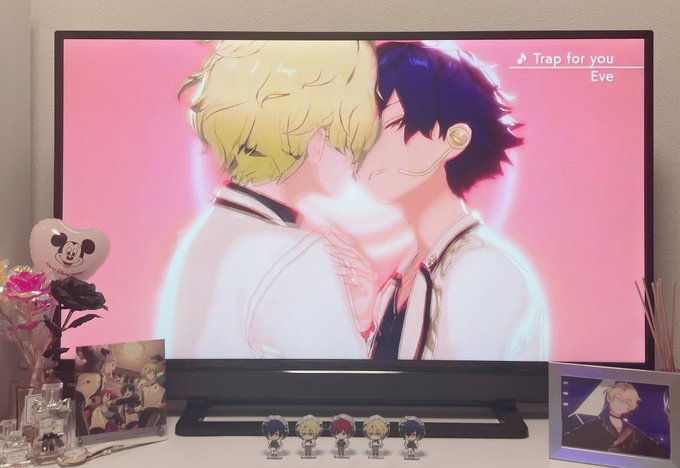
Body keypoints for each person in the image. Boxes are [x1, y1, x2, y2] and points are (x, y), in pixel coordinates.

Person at [156, 40, 380, 359]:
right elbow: (343, 384)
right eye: (351, 143)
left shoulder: (202, 235)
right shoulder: (296, 254)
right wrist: (360, 327)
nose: (355, 165)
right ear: (317, 140)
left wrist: (349, 317)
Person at [353, 41, 549, 360]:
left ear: (454, 138)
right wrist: (365, 322)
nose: (366, 149)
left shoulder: (481, 269)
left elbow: (458, 389)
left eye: (391, 124)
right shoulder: (403, 276)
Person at [563, 382, 665, 457]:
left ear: (630, 406)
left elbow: (655, 450)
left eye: (626, 401)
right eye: (618, 398)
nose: (620, 404)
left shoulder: (633, 431)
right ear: (610, 398)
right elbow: (569, 441)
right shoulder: (594, 426)